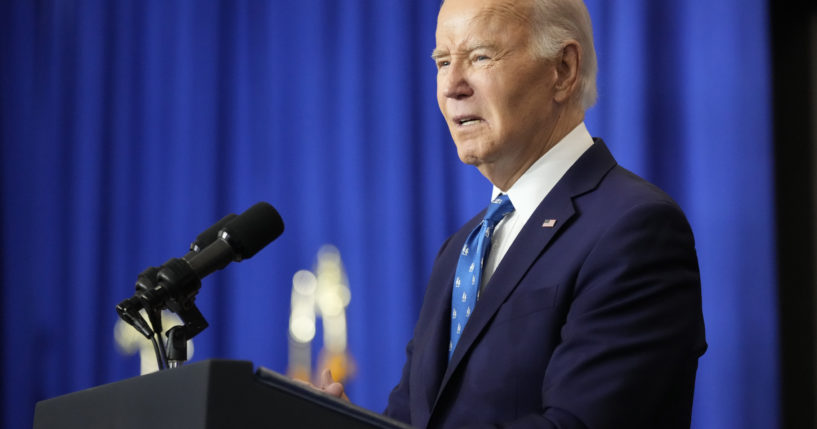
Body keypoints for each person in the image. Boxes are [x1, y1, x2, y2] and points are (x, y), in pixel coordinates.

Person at [320, 0, 707, 427]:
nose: (452, 85)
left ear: (562, 69)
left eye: (480, 57)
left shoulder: (634, 229)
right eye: (443, 61)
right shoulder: (459, 250)